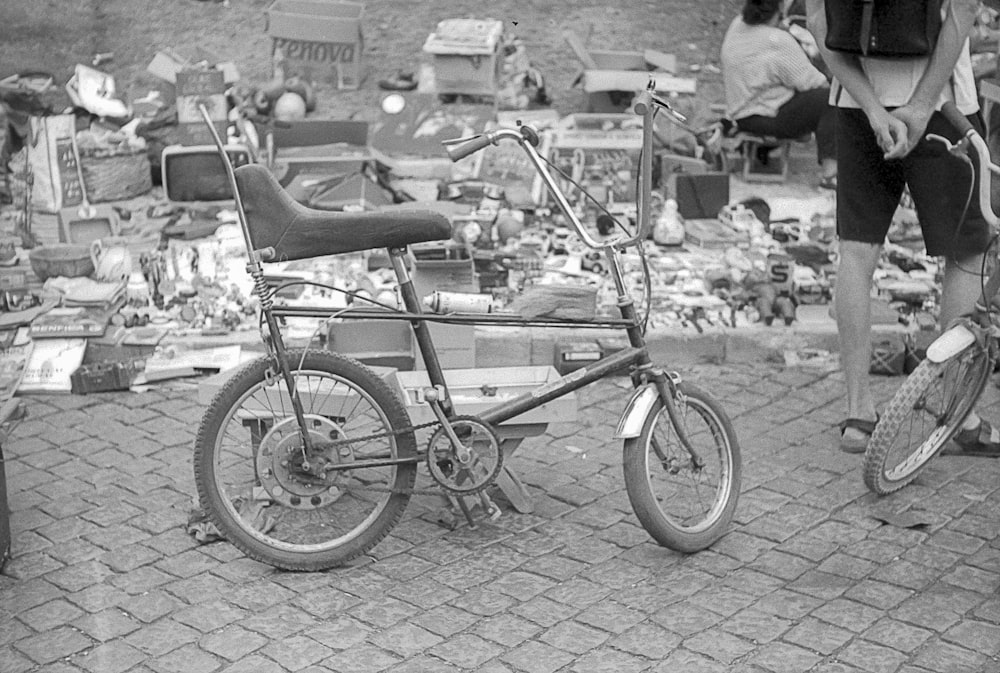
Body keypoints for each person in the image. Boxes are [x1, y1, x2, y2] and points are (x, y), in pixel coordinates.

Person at [806, 0, 1000, 454]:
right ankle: (957, 416)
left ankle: (859, 412)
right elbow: (965, 10)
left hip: (855, 107)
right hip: (943, 106)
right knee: (967, 251)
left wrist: (874, 109)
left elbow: (818, 24)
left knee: (856, 252)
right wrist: (919, 105)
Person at [721, 0, 839, 188]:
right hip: (767, 116)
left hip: (740, 114)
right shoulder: (776, 40)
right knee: (830, 99)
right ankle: (831, 173)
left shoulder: (737, 26)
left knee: (809, 97)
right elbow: (812, 81)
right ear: (779, 11)